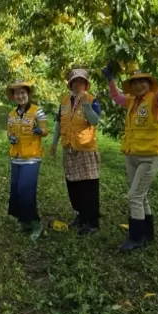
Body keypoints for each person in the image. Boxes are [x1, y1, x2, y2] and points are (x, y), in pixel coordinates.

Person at [103, 57, 158, 251]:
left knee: (134, 195)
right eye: (135, 82)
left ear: (149, 84)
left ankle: (135, 238)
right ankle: (147, 233)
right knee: (141, 196)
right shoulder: (132, 102)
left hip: (149, 157)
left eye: (143, 82)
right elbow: (117, 97)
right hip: (131, 154)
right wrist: (110, 80)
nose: (139, 85)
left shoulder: (155, 101)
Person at [50, 68, 102, 236]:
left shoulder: (92, 100)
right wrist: (53, 143)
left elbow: (95, 121)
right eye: (75, 82)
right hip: (69, 148)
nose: (78, 85)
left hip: (85, 149)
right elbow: (59, 123)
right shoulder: (64, 101)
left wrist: (85, 103)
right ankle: (81, 215)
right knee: (73, 185)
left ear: (86, 85)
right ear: (70, 84)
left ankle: (92, 222)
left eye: (81, 82)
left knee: (88, 187)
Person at [6, 79, 49, 240]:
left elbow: (45, 129)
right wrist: (10, 138)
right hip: (16, 158)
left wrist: (40, 130)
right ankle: (24, 222)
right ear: (13, 96)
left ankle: (37, 224)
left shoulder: (37, 111)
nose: (20, 96)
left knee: (26, 190)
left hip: (31, 158)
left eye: (23, 93)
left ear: (28, 94)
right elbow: (9, 132)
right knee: (16, 191)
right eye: (17, 93)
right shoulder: (11, 114)